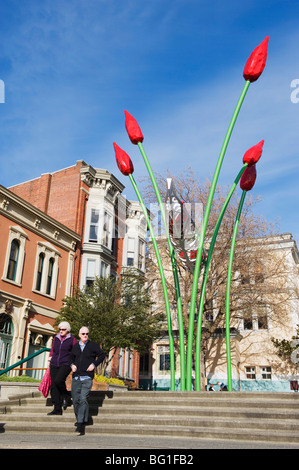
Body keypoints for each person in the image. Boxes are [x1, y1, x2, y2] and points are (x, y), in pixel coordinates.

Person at [69, 326, 106, 435]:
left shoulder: (93, 345)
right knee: (75, 400)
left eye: (87, 334)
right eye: (83, 334)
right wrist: (72, 365)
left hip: (87, 377)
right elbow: (70, 357)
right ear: (79, 335)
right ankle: (82, 419)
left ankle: (80, 424)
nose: (85, 335)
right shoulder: (75, 346)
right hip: (76, 377)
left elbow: (102, 355)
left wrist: (94, 364)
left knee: (83, 398)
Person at [47, 321, 77, 415]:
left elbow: (75, 352)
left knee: (58, 380)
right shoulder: (56, 338)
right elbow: (53, 350)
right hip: (54, 363)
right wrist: (49, 361)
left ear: (67, 330)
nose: (61, 331)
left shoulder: (72, 339)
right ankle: (57, 409)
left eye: (63, 329)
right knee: (54, 386)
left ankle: (66, 395)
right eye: (60, 329)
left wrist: (74, 364)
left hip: (66, 363)